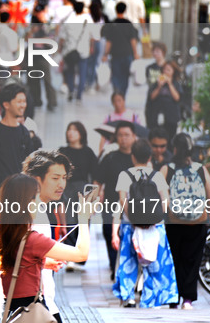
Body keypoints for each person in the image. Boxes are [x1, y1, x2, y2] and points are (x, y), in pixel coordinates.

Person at [0, 174, 91, 318]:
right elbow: (81, 254)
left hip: (9, 312)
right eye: (36, 197)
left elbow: (17, 262)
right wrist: (83, 219)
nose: (40, 203)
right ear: (25, 203)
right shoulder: (33, 239)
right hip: (33, 312)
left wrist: (42, 263)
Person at [111, 139, 179, 308]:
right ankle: (153, 298)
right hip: (155, 227)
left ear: (132, 157)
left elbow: (121, 201)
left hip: (130, 226)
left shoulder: (124, 175)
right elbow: (165, 202)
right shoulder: (156, 176)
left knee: (129, 263)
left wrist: (131, 221)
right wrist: (153, 218)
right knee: (156, 263)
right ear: (149, 157)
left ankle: (127, 297)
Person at [160, 133, 210, 310]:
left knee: (174, 259)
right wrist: (209, 215)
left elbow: (163, 199)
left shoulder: (166, 169)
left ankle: (173, 298)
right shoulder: (201, 169)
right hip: (197, 221)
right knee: (192, 260)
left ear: (174, 148)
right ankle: (188, 300)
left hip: (174, 222)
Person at [94, 121, 136, 280]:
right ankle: (115, 267)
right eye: (120, 135)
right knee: (109, 234)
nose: (123, 139)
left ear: (134, 136)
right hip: (111, 204)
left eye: (127, 135)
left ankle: (127, 269)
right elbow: (98, 181)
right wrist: (93, 200)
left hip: (134, 206)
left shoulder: (138, 157)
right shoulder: (110, 157)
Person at [59, 122, 98, 256]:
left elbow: (95, 175)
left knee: (83, 221)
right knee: (69, 220)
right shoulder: (63, 151)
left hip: (83, 189)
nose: (71, 133)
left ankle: (81, 256)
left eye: (74, 130)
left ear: (81, 133)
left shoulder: (88, 152)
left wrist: (94, 196)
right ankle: (70, 253)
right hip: (66, 188)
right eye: (69, 130)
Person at [58, 1, 95, 102]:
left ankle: (71, 90)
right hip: (83, 50)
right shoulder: (88, 19)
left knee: (70, 71)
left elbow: (62, 37)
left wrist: (60, 48)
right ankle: (79, 94)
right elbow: (93, 36)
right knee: (82, 72)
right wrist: (92, 47)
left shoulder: (68, 20)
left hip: (69, 50)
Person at [101, 2, 139, 96]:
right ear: (125, 10)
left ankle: (117, 93)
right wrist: (135, 53)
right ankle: (122, 95)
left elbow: (109, 41)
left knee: (116, 75)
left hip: (115, 55)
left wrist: (105, 54)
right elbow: (133, 40)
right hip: (127, 54)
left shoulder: (112, 24)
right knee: (125, 76)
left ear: (116, 10)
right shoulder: (129, 24)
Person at [28, 2, 58, 112]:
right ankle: (36, 100)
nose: (39, 14)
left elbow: (50, 40)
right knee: (33, 80)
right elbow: (27, 38)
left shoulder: (47, 25)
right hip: (32, 56)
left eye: (41, 11)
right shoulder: (31, 24)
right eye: (37, 11)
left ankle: (51, 102)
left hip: (44, 56)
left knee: (47, 80)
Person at [147, 61, 183, 142]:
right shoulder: (157, 83)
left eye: (168, 70)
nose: (166, 72)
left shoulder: (176, 84)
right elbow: (152, 97)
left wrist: (170, 84)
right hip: (157, 114)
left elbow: (177, 98)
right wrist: (159, 86)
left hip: (171, 116)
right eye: (164, 70)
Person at [144, 42, 168, 125]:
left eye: (157, 51)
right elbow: (149, 82)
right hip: (152, 98)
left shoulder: (168, 67)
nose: (155, 53)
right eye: (153, 51)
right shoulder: (149, 68)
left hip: (165, 99)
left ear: (163, 52)